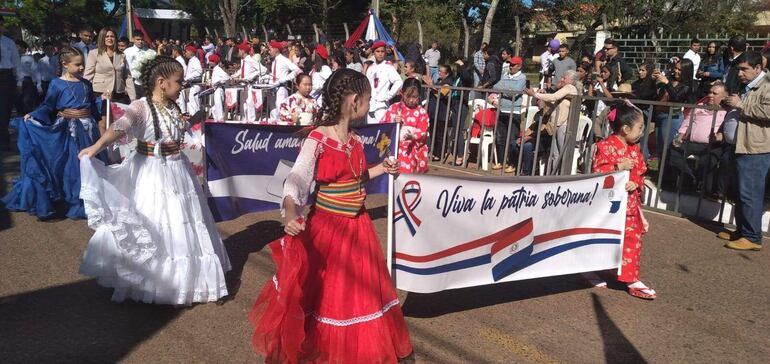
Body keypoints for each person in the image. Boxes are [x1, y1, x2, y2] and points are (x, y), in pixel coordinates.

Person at [248, 68, 412, 362]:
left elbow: (357, 178)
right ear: (353, 100)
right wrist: (289, 210)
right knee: (328, 300)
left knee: (358, 298)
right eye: (367, 98)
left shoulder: (356, 141)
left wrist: (383, 169)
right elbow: (297, 178)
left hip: (358, 229)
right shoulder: (318, 138)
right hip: (328, 231)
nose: (369, 103)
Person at [77, 55, 231, 305]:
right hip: (150, 172)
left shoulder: (172, 107)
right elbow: (120, 126)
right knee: (154, 221)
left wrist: (193, 119)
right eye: (178, 82)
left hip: (177, 170)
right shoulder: (141, 107)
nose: (182, 86)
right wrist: (95, 147)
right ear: (162, 82)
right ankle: (149, 281)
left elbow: (174, 131)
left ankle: (182, 283)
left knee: (183, 222)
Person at [2, 46, 105, 220]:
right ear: (65, 64)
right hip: (68, 131)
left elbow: (92, 106)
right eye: (77, 65)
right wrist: (32, 115)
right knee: (73, 166)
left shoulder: (86, 83)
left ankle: (92, 196)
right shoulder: (57, 84)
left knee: (91, 163)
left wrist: (102, 100)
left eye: (83, 65)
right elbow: (49, 106)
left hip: (88, 132)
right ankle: (76, 198)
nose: (81, 68)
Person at [591, 102, 656, 300]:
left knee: (631, 240)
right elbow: (597, 173)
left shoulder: (634, 149)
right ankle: (590, 269)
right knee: (600, 238)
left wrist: (636, 183)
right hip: (608, 206)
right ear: (625, 129)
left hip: (629, 205)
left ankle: (631, 279)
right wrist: (618, 165)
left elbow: (640, 172)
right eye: (640, 128)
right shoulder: (604, 147)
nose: (642, 133)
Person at [721, 51, 769, 251]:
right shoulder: (748, 86)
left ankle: (752, 236)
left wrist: (741, 104)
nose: (740, 73)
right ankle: (741, 231)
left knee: (750, 193)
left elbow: (767, 111)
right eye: (738, 69)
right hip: (742, 145)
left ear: (757, 68)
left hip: (755, 148)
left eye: (744, 69)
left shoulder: (766, 87)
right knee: (741, 192)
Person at [667, 83, 728, 188]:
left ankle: (699, 183)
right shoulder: (699, 106)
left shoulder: (726, 112)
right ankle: (689, 179)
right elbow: (686, 122)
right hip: (691, 142)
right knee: (673, 150)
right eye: (709, 92)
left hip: (712, 145)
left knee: (708, 161)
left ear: (723, 97)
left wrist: (719, 136)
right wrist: (680, 135)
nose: (710, 95)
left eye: (715, 93)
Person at [84, 27, 136, 136]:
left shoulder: (121, 55)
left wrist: (133, 98)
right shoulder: (94, 53)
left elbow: (128, 77)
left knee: (117, 123)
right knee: (103, 123)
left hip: (118, 92)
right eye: (107, 36)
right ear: (102, 38)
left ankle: (114, 148)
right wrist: (83, 92)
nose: (109, 38)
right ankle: (104, 148)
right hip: (101, 93)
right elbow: (88, 74)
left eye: (112, 36)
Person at [526, 70, 580, 175]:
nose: (562, 79)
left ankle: (562, 176)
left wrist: (534, 94)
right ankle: (554, 176)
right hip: (556, 125)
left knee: (562, 153)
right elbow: (553, 100)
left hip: (563, 125)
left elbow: (553, 97)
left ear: (572, 80)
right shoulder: (564, 89)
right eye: (562, 77)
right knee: (555, 154)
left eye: (565, 78)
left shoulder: (570, 88)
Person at [381, 78, 429, 173]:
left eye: (415, 97)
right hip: (393, 150)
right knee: (389, 177)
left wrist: (414, 136)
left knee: (405, 179)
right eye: (408, 96)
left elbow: (423, 131)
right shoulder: (393, 108)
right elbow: (382, 126)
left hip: (409, 151)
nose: (411, 100)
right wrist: (393, 123)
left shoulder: (421, 112)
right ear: (402, 93)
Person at [651, 58, 696, 160]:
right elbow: (655, 94)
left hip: (672, 117)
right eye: (675, 68)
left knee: (668, 148)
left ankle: (668, 174)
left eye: (680, 70)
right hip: (660, 115)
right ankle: (660, 174)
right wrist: (653, 80)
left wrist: (667, 84)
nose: (676, 71)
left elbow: (677, 98)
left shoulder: (687, 86)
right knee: (660, 148)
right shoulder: (669, 78)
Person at [491, 57, 527, 173]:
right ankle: (502, 162)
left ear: (519, 66)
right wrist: (508, 89)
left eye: (513, 64)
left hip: (514, 112)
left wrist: (504, 89)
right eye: (510, 64)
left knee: (512, 140)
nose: (511, 66)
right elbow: (495, 87)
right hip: (502, 110)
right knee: (501, 138)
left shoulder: (522, 78)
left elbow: (514, 93)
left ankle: (512, 163)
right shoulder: (505, 75)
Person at [366, 41, 403, 124]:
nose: (380, 54)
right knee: (371, 133)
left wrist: (388, 96)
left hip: (382, 106)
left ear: (385, 53)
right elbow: (367, 86)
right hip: (370, 106)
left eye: (382, 51)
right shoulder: (370, 68)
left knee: (381, 132)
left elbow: (399, 82)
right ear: (373, 53)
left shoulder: (388, 67)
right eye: (377, 51)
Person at [268, 40, 301, 120]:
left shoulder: (284, 60)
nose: (269, 52)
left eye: (271, 49)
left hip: (281, 89)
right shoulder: (274, 61)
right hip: (272, 89)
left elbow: (297, 70)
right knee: (273, 112)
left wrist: (283, 79)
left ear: (276, 49)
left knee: (281, 111)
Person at [0, 16, 20, 151]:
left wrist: (18, 81)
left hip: (6, 76)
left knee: (4, 109)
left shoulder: (9, 42)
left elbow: (16, 62)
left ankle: (4, 140)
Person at [124, 30, 156, 98]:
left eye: (141, 39)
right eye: (137, 39)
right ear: (133, 39)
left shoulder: (148, 51)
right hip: (132, 81)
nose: (140, 41)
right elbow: (126, 67)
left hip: (145, 82)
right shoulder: (128, 52)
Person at [16, 40, 41, 116]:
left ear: (24, 48)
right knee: (18, 102)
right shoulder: (12, 59)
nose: (16, 49)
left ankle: (29, 119)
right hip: (15, 82)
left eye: (18, 47)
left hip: (27, 81)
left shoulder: (29, 59)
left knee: (27, 102)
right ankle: (20, 119)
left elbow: (35, 71)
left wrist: (37, 84)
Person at [208, 54, 230, 122]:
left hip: (218, 89)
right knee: (214, 107)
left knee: (218, 104)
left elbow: (226, 76)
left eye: (210, 61)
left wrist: (219, 82)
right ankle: (216, 120)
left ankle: (220, 119)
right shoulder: (215, 69)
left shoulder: (218, 69)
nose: (209, 62)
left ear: (214, 62)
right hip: (215, 89)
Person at [183, 45, 203, 116]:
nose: (185, 53)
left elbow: (199, 71)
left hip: (195, 85)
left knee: (194, 103)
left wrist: (188, 78)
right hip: (192, 85)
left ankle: (196, 119)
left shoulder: (195, 60)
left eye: (186, 51)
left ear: (190, 52)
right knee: (191, 103)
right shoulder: (191, 60)